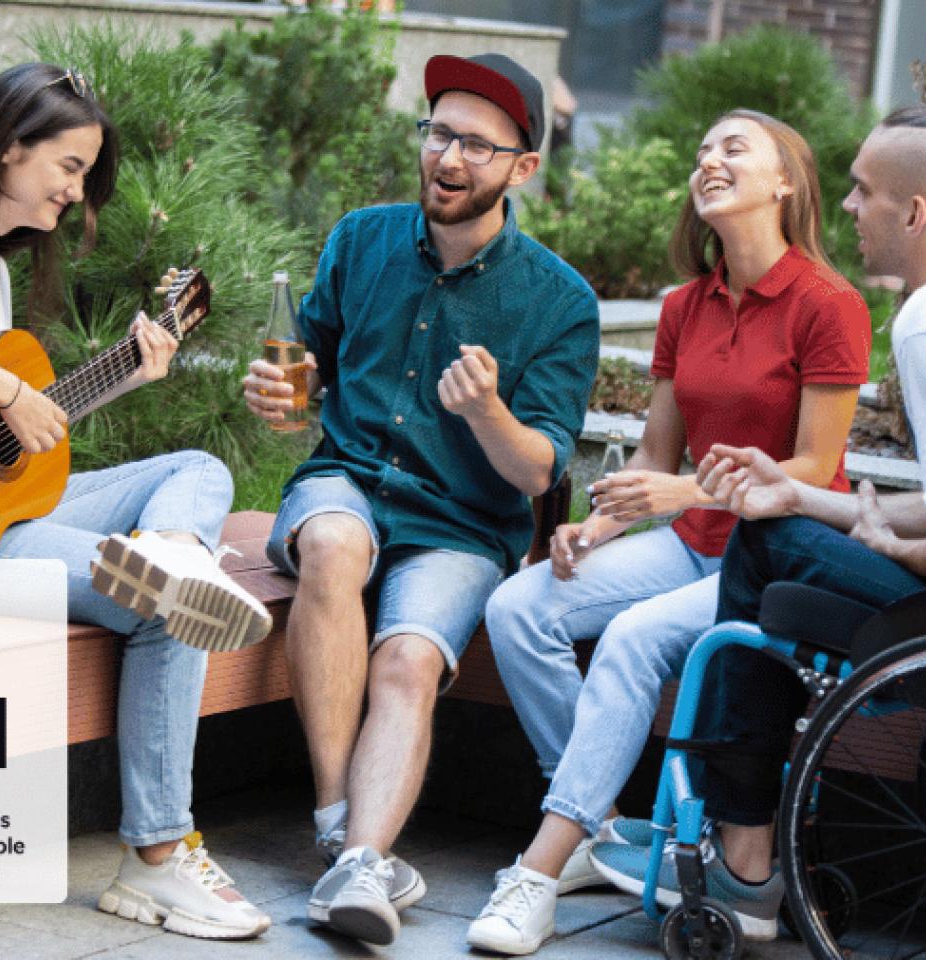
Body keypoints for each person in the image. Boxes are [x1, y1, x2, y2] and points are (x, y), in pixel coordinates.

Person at [597, 94, 926, 937]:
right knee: (780, 520)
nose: (847, 207)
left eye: (862, 191)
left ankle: (745, 859)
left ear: (916, 213)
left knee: (761, 545)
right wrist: (810, 497)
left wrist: (884, 539)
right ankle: (742, 843)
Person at [0, 62, 274, 941]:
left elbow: (9, 437)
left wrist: (119, 375)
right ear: (7, 150)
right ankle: (154, 861)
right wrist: (5, 389)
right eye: (68, 167)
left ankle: (173, 550)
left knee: (197, 471)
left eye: (83, 174)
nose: (76, 190)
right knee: (167, 616)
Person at [467, 110, 871, 955]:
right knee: (519, 607)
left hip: (773, 558)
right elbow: (655, 453)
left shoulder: (829, 304)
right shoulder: (685, 306)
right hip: (689, 541)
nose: (709, 161)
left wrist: (678, 487)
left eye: (733, 149)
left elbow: (812, 468)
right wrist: (599, 526)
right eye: (702, 152)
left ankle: (537, 872)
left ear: (786, 182)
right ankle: (595, 821)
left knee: (632, 638)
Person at [242, 53, 600, 947]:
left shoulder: (561, 302)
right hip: (347, 481)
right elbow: (306, 375)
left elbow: (536, 472)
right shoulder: (359, 240)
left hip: (461, 525)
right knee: (331, 546)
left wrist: (485, 411)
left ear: (523, 168)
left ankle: (362, 862)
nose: (449, 157)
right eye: (439, 132)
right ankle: (340, 829)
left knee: (408, 661)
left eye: (477, 145)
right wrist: (281, 397)